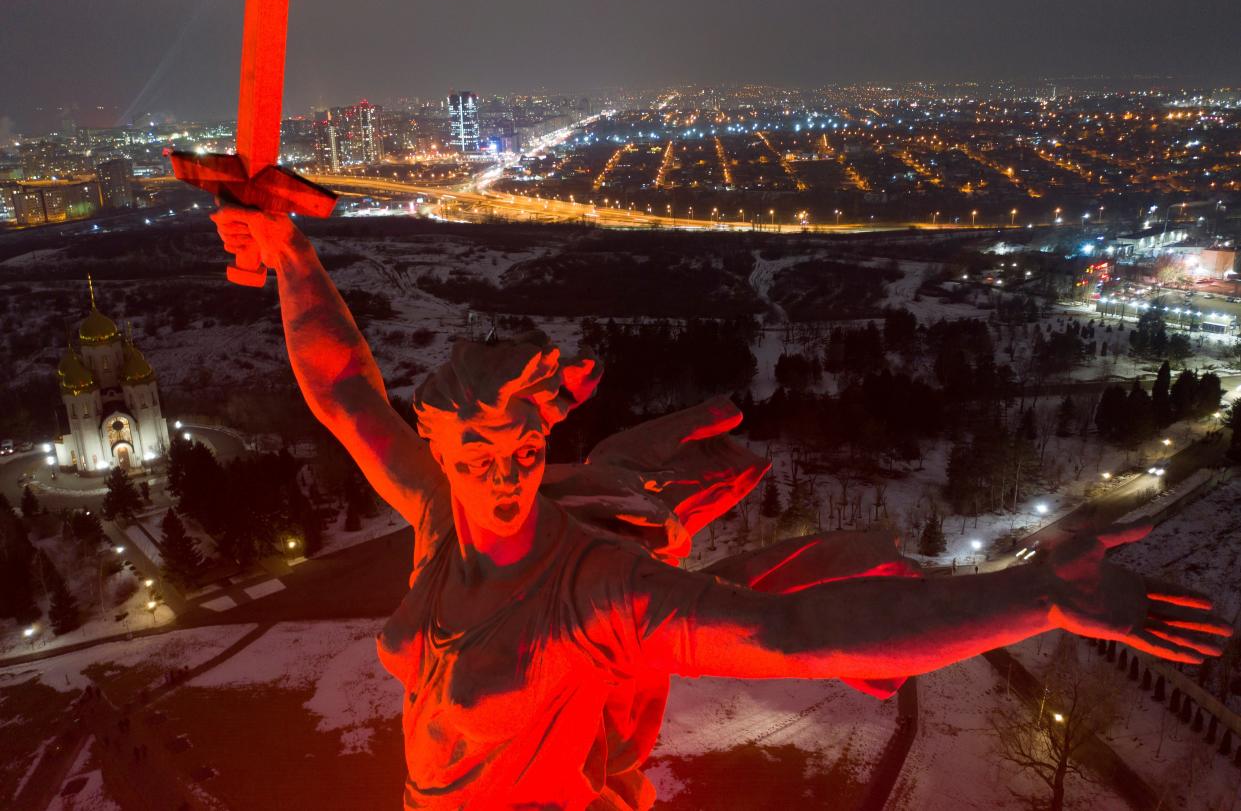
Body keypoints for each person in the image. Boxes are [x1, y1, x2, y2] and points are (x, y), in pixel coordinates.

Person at [211, 207, 1230, 811]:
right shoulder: (438, 520)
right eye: (477, 449)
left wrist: (1033, 594)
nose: (506, 470)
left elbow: (798, 631)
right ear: (438, 449)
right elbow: (345, 392)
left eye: (523, 447)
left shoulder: (595, 589)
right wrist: (293, 257)